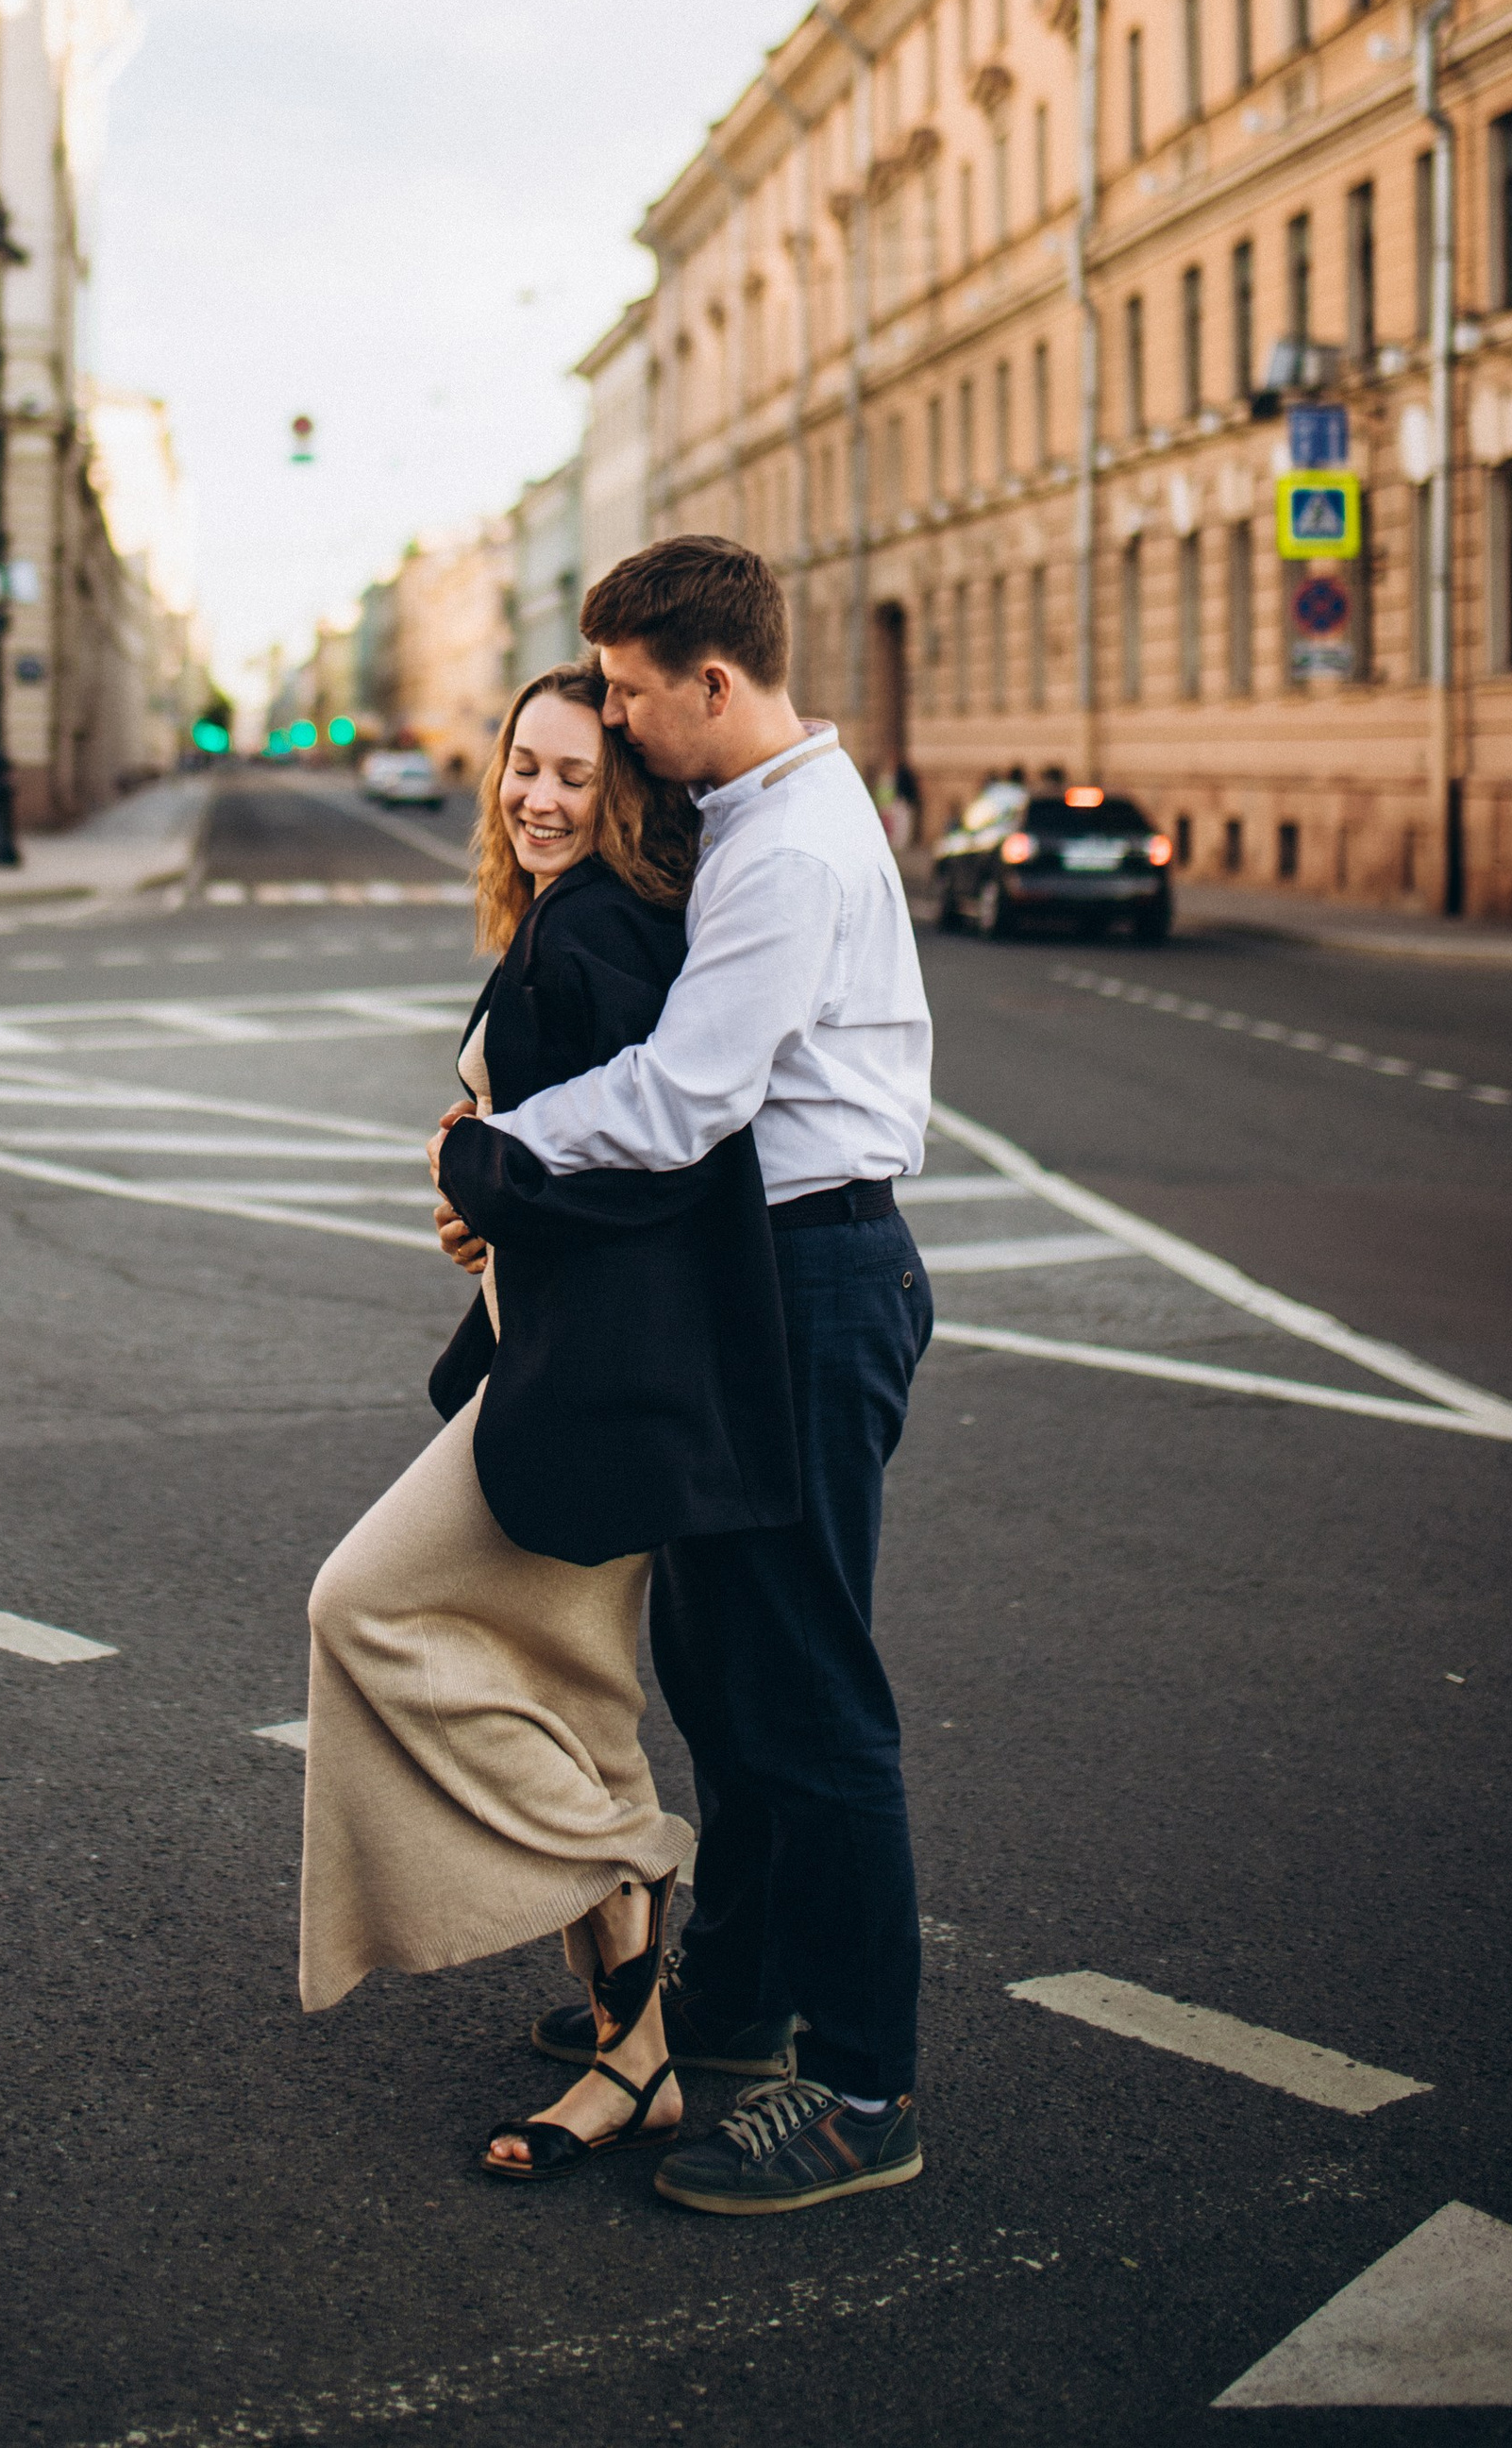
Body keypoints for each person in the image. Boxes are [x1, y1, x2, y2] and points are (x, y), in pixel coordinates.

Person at [434, 536, 935, 2220]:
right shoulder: (756, 814)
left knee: (806, 1693)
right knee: (726, 1676)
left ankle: (866, 2088)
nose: (623, 725)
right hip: (764, 1280)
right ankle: (729, 2008)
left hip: (812, 1278)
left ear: (711, 682)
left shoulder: (788, 848)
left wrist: (499, 1151)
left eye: (635, 695)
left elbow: (688, 1091)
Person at [300, 663, 800, 2182]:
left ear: (625, 791)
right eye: (521, 765)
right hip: (591, 1378)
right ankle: (633, 2056)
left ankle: (637, 1879)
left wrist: (479, 1180)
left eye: (574, 775)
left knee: (366, 1604)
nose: (535, 796)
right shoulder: (586, 922)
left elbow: (644, 1172)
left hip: (596, 1389)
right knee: (574, 1697)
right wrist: (491, 1219)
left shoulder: (590, 936)